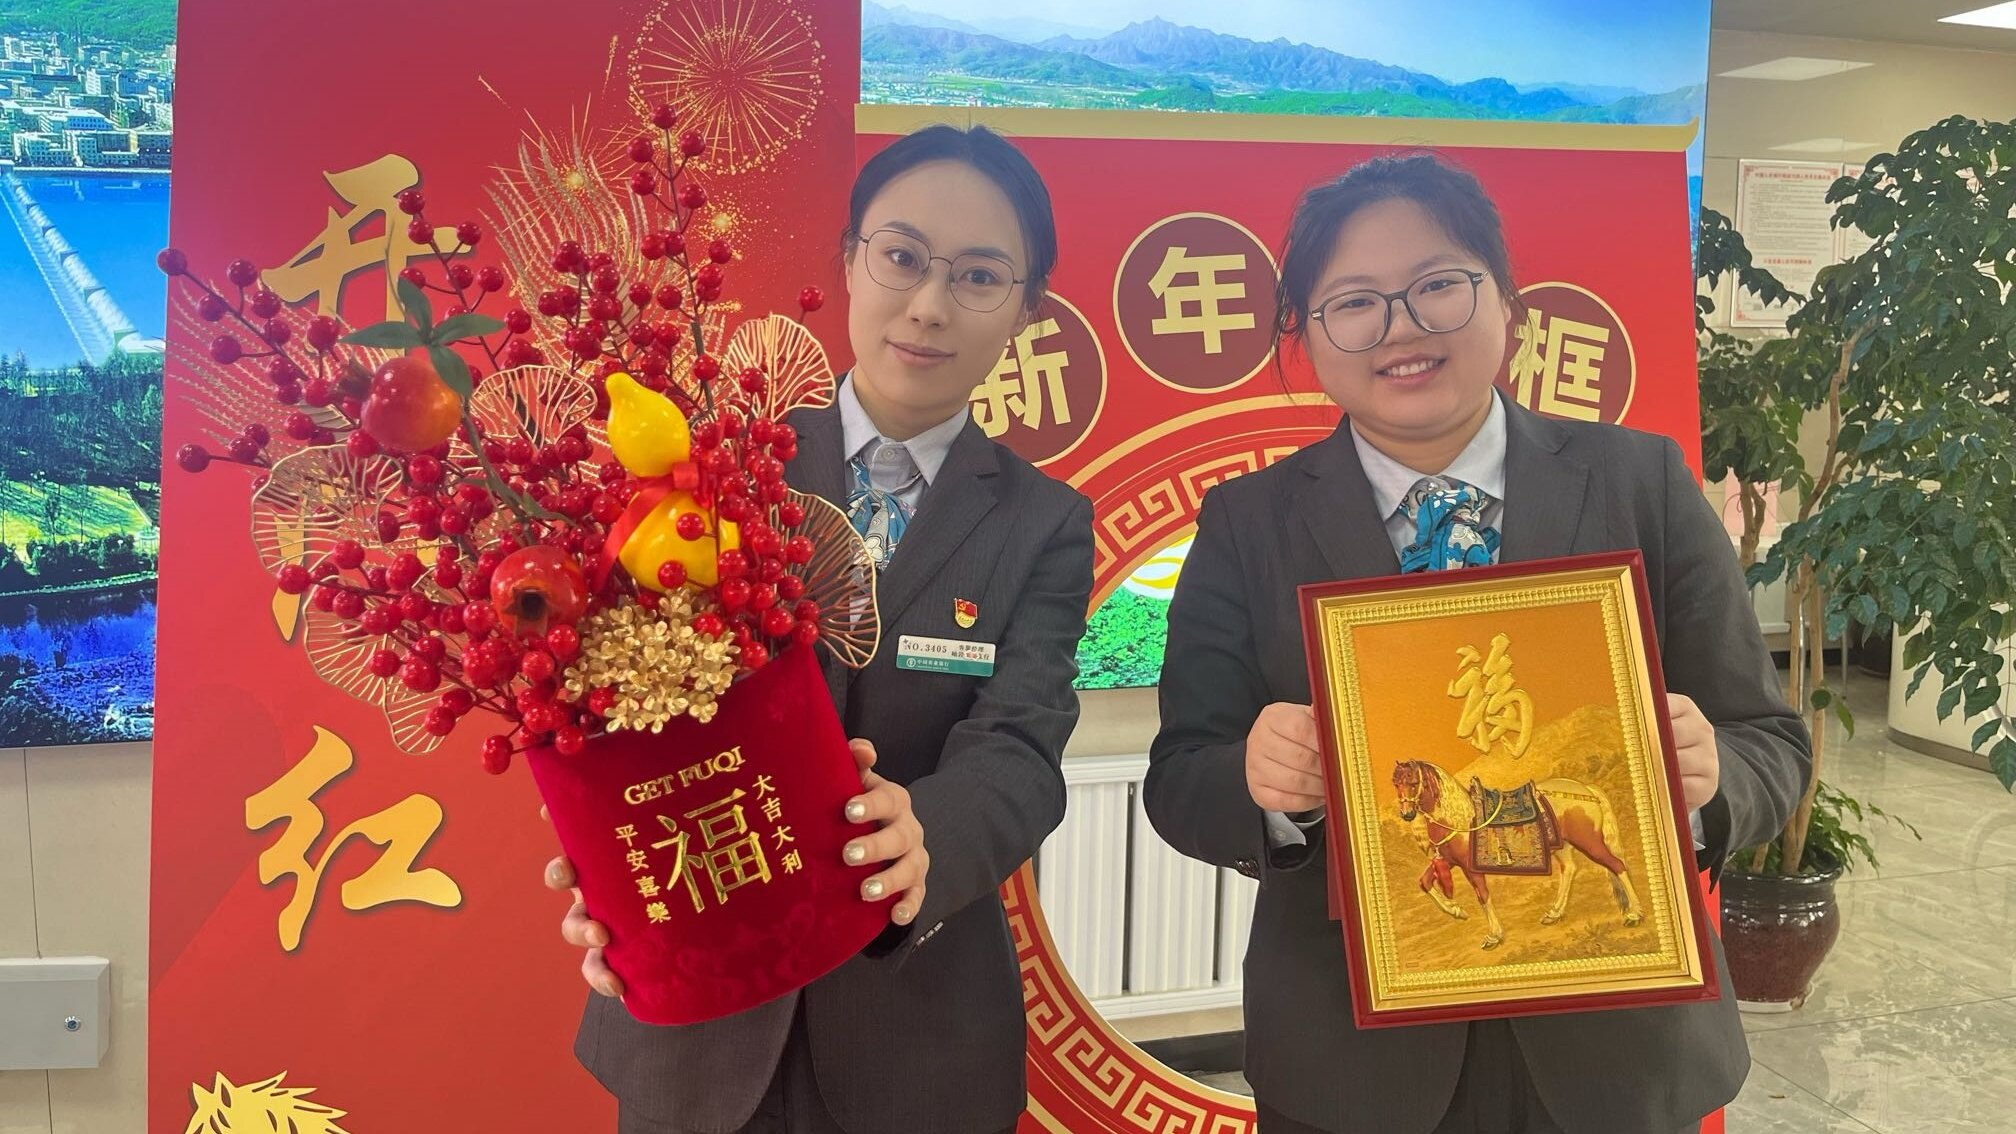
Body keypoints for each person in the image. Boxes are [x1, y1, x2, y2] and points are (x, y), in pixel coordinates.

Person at [1143, 152, 1811, 1134]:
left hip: (1618, 1053)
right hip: (1351, 1064)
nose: (1401, 327)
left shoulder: (1641, 482)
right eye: (1353, 303)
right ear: (1308, 336)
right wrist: (1261, 785)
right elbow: (1179, 779)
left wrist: (1714, 779)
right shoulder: (1248, 524)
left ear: (1508, 304)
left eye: (1437, 285)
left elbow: (1771, 742)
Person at [546, 124, 1094, 1134]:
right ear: (849, 260)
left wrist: (925, 836)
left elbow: (1022, 746)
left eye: (979, 276)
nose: (929, 305)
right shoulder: (716, 468)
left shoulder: (1042, 523)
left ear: (1026, 310)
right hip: (697, 1010)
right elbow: (615, 694)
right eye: (902, 256)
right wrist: (608, 862)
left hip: (915, 1033)